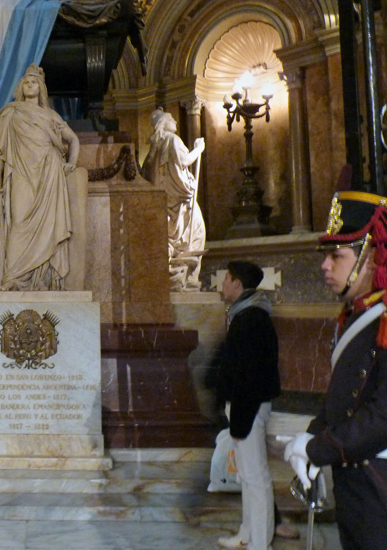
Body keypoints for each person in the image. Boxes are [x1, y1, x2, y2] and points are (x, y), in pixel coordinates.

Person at [284, 191, 387, 550]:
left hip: (386, 488)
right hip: (354, 486)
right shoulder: (355, 317)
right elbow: (340, 399)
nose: (325, 266)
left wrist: (319, 449)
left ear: (372, 259)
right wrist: (309, 440)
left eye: (336, 256)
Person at [0, 63, 80, 291]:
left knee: (49, 225)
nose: (30, 85)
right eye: (26, 82)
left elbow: (73, 139)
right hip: (20, 172)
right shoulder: (10, 113)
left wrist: (71, 163)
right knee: (18, 221)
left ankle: (43, 278)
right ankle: (13, 276)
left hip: (49, 174)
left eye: (34, 82)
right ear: (21, 87)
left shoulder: (50, 115)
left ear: (41, 88)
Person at [215, 261, 281, 550]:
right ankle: (247, 535)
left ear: (237, 284)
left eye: (226, 279)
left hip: (249, 406)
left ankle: (260, 543)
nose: (223, 284)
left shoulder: (252, 318)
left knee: (256, 478)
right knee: (246, 475)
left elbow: (250, 374)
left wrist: (240, 416)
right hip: (243, 406)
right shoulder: (245, 314)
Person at [145, 107, 206, 291]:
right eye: (172, 119)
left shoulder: (153, 149)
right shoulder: (173, 139)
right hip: (181, 200)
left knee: (173, 240)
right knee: (197, 232)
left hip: (165, 201)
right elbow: (186, 160)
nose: (176, 122)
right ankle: (188, 279)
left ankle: (175, 278)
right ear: (164, 122)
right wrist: (199, 149)